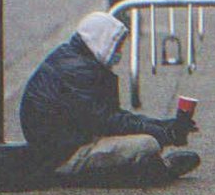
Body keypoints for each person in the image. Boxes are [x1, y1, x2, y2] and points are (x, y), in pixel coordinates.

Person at [19, 12, 200, 185]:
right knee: (147, 144)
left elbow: (109, 115)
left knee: (145, 140)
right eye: (117, 46)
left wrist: (162, 126)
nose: (119, 53)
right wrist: (162, 133)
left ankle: (147, 167)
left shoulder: (76, 59)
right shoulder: (80, 71)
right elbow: (107, 121)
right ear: (101, 41)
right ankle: (146, 171)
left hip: (64, 144)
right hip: (63, 155)